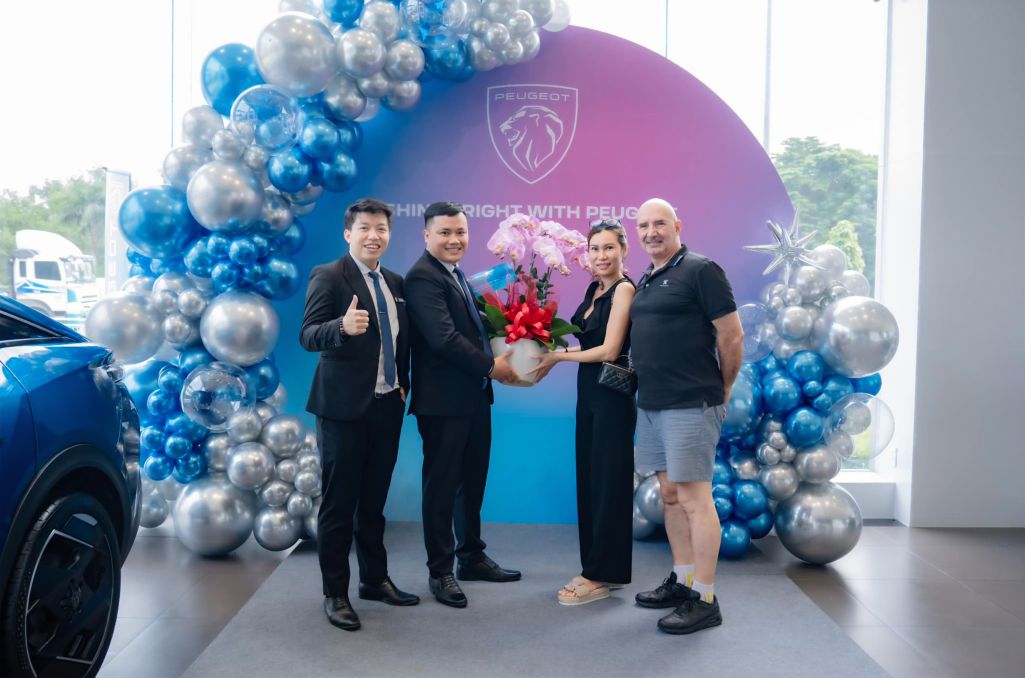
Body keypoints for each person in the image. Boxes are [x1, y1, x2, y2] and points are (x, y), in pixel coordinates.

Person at [299, 198, 419, 632]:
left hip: (386, 405)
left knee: (373, 502)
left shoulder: (395, 282)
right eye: (365, 228)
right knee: (339, 505)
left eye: (381, 228)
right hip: (342, 410)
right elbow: (308, 335)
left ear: (389, 234)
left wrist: (402, 381)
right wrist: (341, 328)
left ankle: (374, 579)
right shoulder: (329, 275)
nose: (374, 235)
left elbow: (400, 340)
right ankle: (335, 593)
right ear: (348, 233)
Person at [629, 198, 744, 635]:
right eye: (643, 225)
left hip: (692, 402)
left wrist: (723, 389)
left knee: (696, 501)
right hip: (652, 404)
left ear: (677, 225)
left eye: (659, 223)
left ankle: (705, 598)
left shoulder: (701, 270)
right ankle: (682, 579)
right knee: (671, 497)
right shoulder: (647, 277)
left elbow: (732, 335)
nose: (651, 232)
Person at [404, 201, 523, 609]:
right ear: (426, 235)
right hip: (443, 403)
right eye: (445, 233)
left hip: (473, 398)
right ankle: (440, 571)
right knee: (441, 487)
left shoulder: (454, 274)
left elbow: (472, 331)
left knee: (472, 482)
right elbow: (444, 339)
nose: (454, 240)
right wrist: (493, 367)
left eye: (460, 232)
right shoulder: (423, 277)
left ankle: (470, 556)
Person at [531, 219, 637, 605]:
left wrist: (557, 358)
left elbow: (610, 350)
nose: (601, 255)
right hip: (589, 394)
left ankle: (599, 574)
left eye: (609, 247)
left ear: (623, 250)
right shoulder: (595, 289)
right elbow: (586, 343)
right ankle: (598, 569)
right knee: (591, 482)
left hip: (612, 398)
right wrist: (546, 350)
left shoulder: (624, 290)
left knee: (608, 485)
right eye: (595, 249)